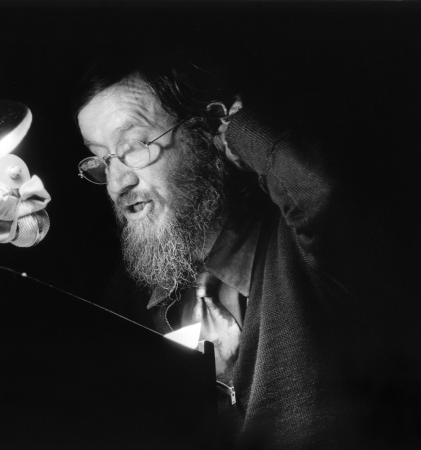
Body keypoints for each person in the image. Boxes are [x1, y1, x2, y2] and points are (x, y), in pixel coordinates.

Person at [69, 48, 419, 449]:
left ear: (203, 130)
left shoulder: (304, 248)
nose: (117, 184)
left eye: (132, 146)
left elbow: (321, 193)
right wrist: (6, 234)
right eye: (101, 160)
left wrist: (239, 129)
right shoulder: (135, 296)